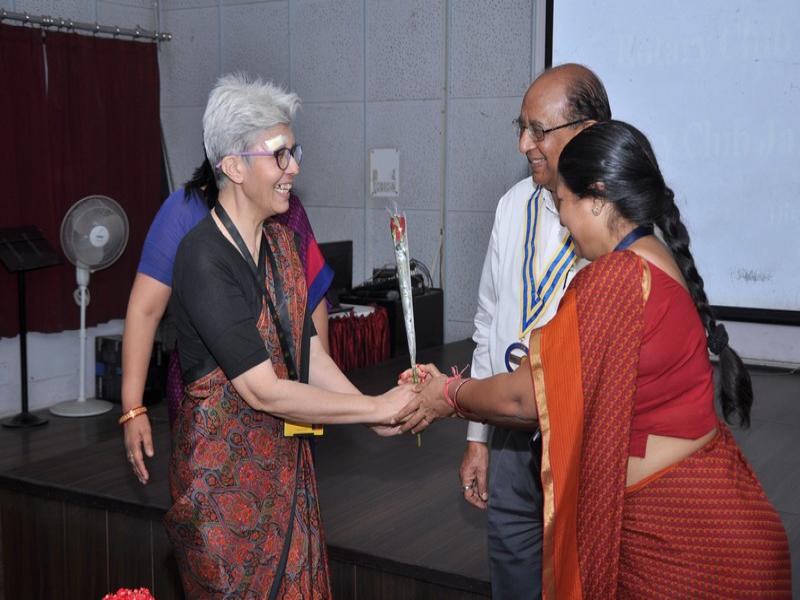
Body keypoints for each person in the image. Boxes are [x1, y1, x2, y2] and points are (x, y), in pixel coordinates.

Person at [398, 120, 792, 598]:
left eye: (562, 200)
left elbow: (526, 399)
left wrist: (447, 394)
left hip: (682, 546)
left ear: (598, 198)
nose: (562, 219)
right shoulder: (651, 257)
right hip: (712, 521)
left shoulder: (616, 279)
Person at [157, 73, 412, 597]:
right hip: (224, 496)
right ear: (233, 166)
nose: (293, 167)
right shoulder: (203, 258)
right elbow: (263, 390)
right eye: (279, 155)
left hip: (285, 475)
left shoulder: (283, 245)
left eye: (294, 152)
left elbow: (307, 353)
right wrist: (373, 407)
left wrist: (373, 411)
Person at [458, 63, 610, 600]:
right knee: (513, 577)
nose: (524, 144)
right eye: (521, 128)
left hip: (583, 442)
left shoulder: (613, 219)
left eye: (538, 130)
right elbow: (487, 322)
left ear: (586, 130)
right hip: (508, 429)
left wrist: (448, 396)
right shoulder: (512, 205)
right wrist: (478, 438)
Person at [121, 157, 333, 484]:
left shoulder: (288, 209)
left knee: (291, 496)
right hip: (208, 403)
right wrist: (132, 407)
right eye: (276, 152)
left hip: (287, 396)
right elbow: (145, 309)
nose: (290, 165)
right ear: (231, 158)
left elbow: (312, 299)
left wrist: (319, 391)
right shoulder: (185, 209)